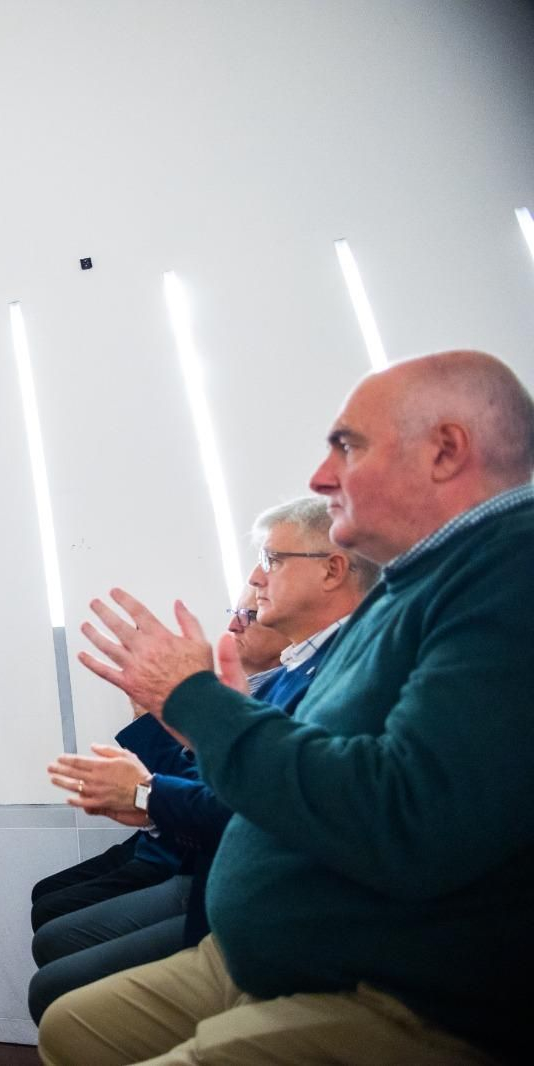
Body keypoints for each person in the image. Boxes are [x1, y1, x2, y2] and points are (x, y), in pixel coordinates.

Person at [45, 350, 534, 1064]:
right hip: (275, 951)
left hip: (394, 986)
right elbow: (306, 760)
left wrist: (196, 704)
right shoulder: (415, 585)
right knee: (69, 1028)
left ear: (446, 449)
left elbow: (407, 814)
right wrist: (193, 719)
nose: (321, 476)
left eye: (349, 445)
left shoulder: (507, 569)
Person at [29, 497, 376, 1022]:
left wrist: (148, 788)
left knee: (59, 1000)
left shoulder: (349, 672)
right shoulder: (290, 675)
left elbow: (257, 804)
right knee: (54, 962)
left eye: (274, 560)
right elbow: (236, 784)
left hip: (269, 920)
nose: (258, 579)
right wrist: (179, 721)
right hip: (229, 897)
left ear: (332, 569)